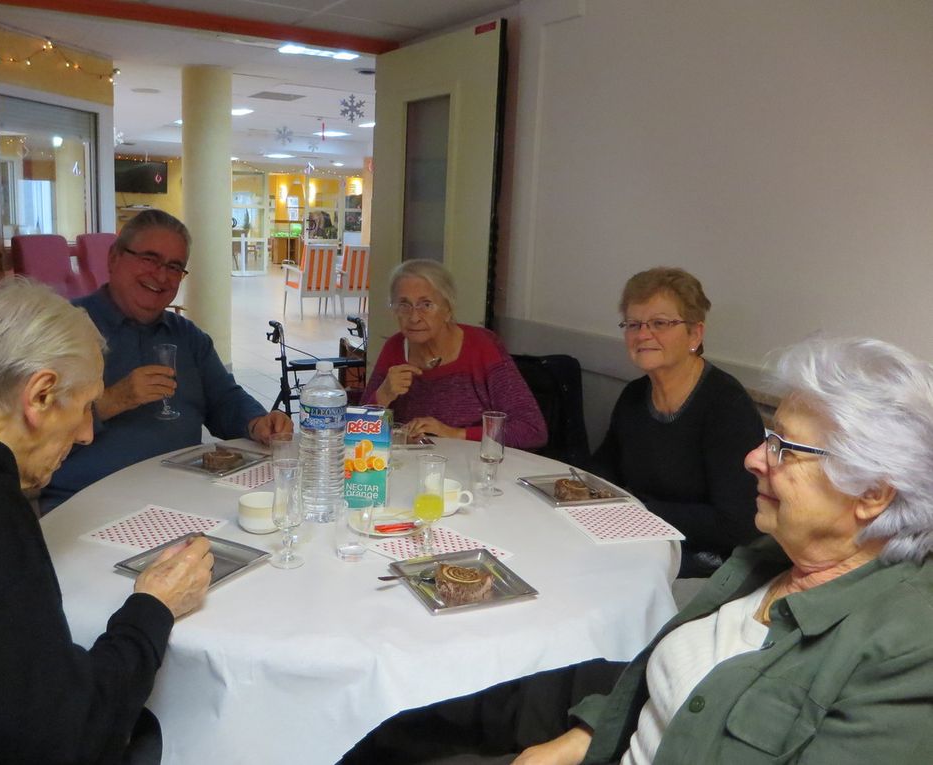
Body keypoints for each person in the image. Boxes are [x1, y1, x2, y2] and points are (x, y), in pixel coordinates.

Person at [343, 335, 933, 765]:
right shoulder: (764, 563)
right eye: (765, 438)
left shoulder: (904, 650)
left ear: (873, 494)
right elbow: (659, 681)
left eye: (785, 449)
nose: (755, 459)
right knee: (411, 714)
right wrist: (584, 736)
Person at [0, 278, 214, 763]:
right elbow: (64, 735)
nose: (88, 433)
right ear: (40, 395)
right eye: (86, 407)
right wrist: (152, 609)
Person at [43, 209, 291, 510]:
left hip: (183, 501)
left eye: (174, 267)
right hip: (84, 505)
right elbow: (31, 430)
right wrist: (113, 399)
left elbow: (225, 400)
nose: (161, 276)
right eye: (149, 259)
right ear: (114, 258)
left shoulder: (187, 338)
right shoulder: (61, 332)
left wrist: (257, 422)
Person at [586, 267, 762, 576]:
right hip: (643, 538)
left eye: (660, 323)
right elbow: (603, 468)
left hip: (710, 561)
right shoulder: (633, 396)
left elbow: (737, 524)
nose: (643, 334)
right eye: (633, 324)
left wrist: (636, 510)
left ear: (695, 333)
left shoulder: (726, 405)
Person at [362, 259, 547, 450]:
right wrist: (383, 395)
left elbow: (532, 430)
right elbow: (358, 432)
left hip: (474, 469)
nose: (414, 317)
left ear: (448, 310)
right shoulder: (394, 348)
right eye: (404, 305)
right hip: (412, 468)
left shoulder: (482, 346)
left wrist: (454, 433)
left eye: (426, 305)